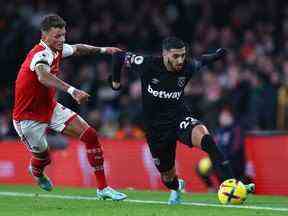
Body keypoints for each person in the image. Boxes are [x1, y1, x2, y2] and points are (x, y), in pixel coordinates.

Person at [108, 37, 255, 204]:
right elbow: (118, 56)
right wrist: (116, 83)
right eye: (175, 56)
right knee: (168, 178)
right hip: (156, 130)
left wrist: (217, 55)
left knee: (207, 140)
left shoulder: (187, 66)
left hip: (179, 118)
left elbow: (202, 60)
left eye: (183, 55)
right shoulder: (147, 64)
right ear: (164, 54)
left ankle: (233, 183)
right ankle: (177, 186)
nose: (180, 60)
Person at [12, 14, 127, 201]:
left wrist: (105, 50)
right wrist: (72, 90)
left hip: (50, 108)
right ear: (45, 35)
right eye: (57, 36)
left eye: (63, 35)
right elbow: (42, 76)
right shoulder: (40, 54)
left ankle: (103, 188)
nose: (62, 40)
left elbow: (79, 49)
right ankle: (37, 172)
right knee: (44, 158)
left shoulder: (57, 49)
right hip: (28, 117)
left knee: (90, 135)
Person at [196, 107, 253, 192]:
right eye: (222, 116)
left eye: (226, 116)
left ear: (231, 117)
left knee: (223, 166)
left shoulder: (236, 129)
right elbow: (213, 147)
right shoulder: (219, 131)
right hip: (220, 160)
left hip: (234, 162)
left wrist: (222, 157)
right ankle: (211, 188)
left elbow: (236, 148)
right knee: (201, 166)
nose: (223, 118)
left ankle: (238, 187)